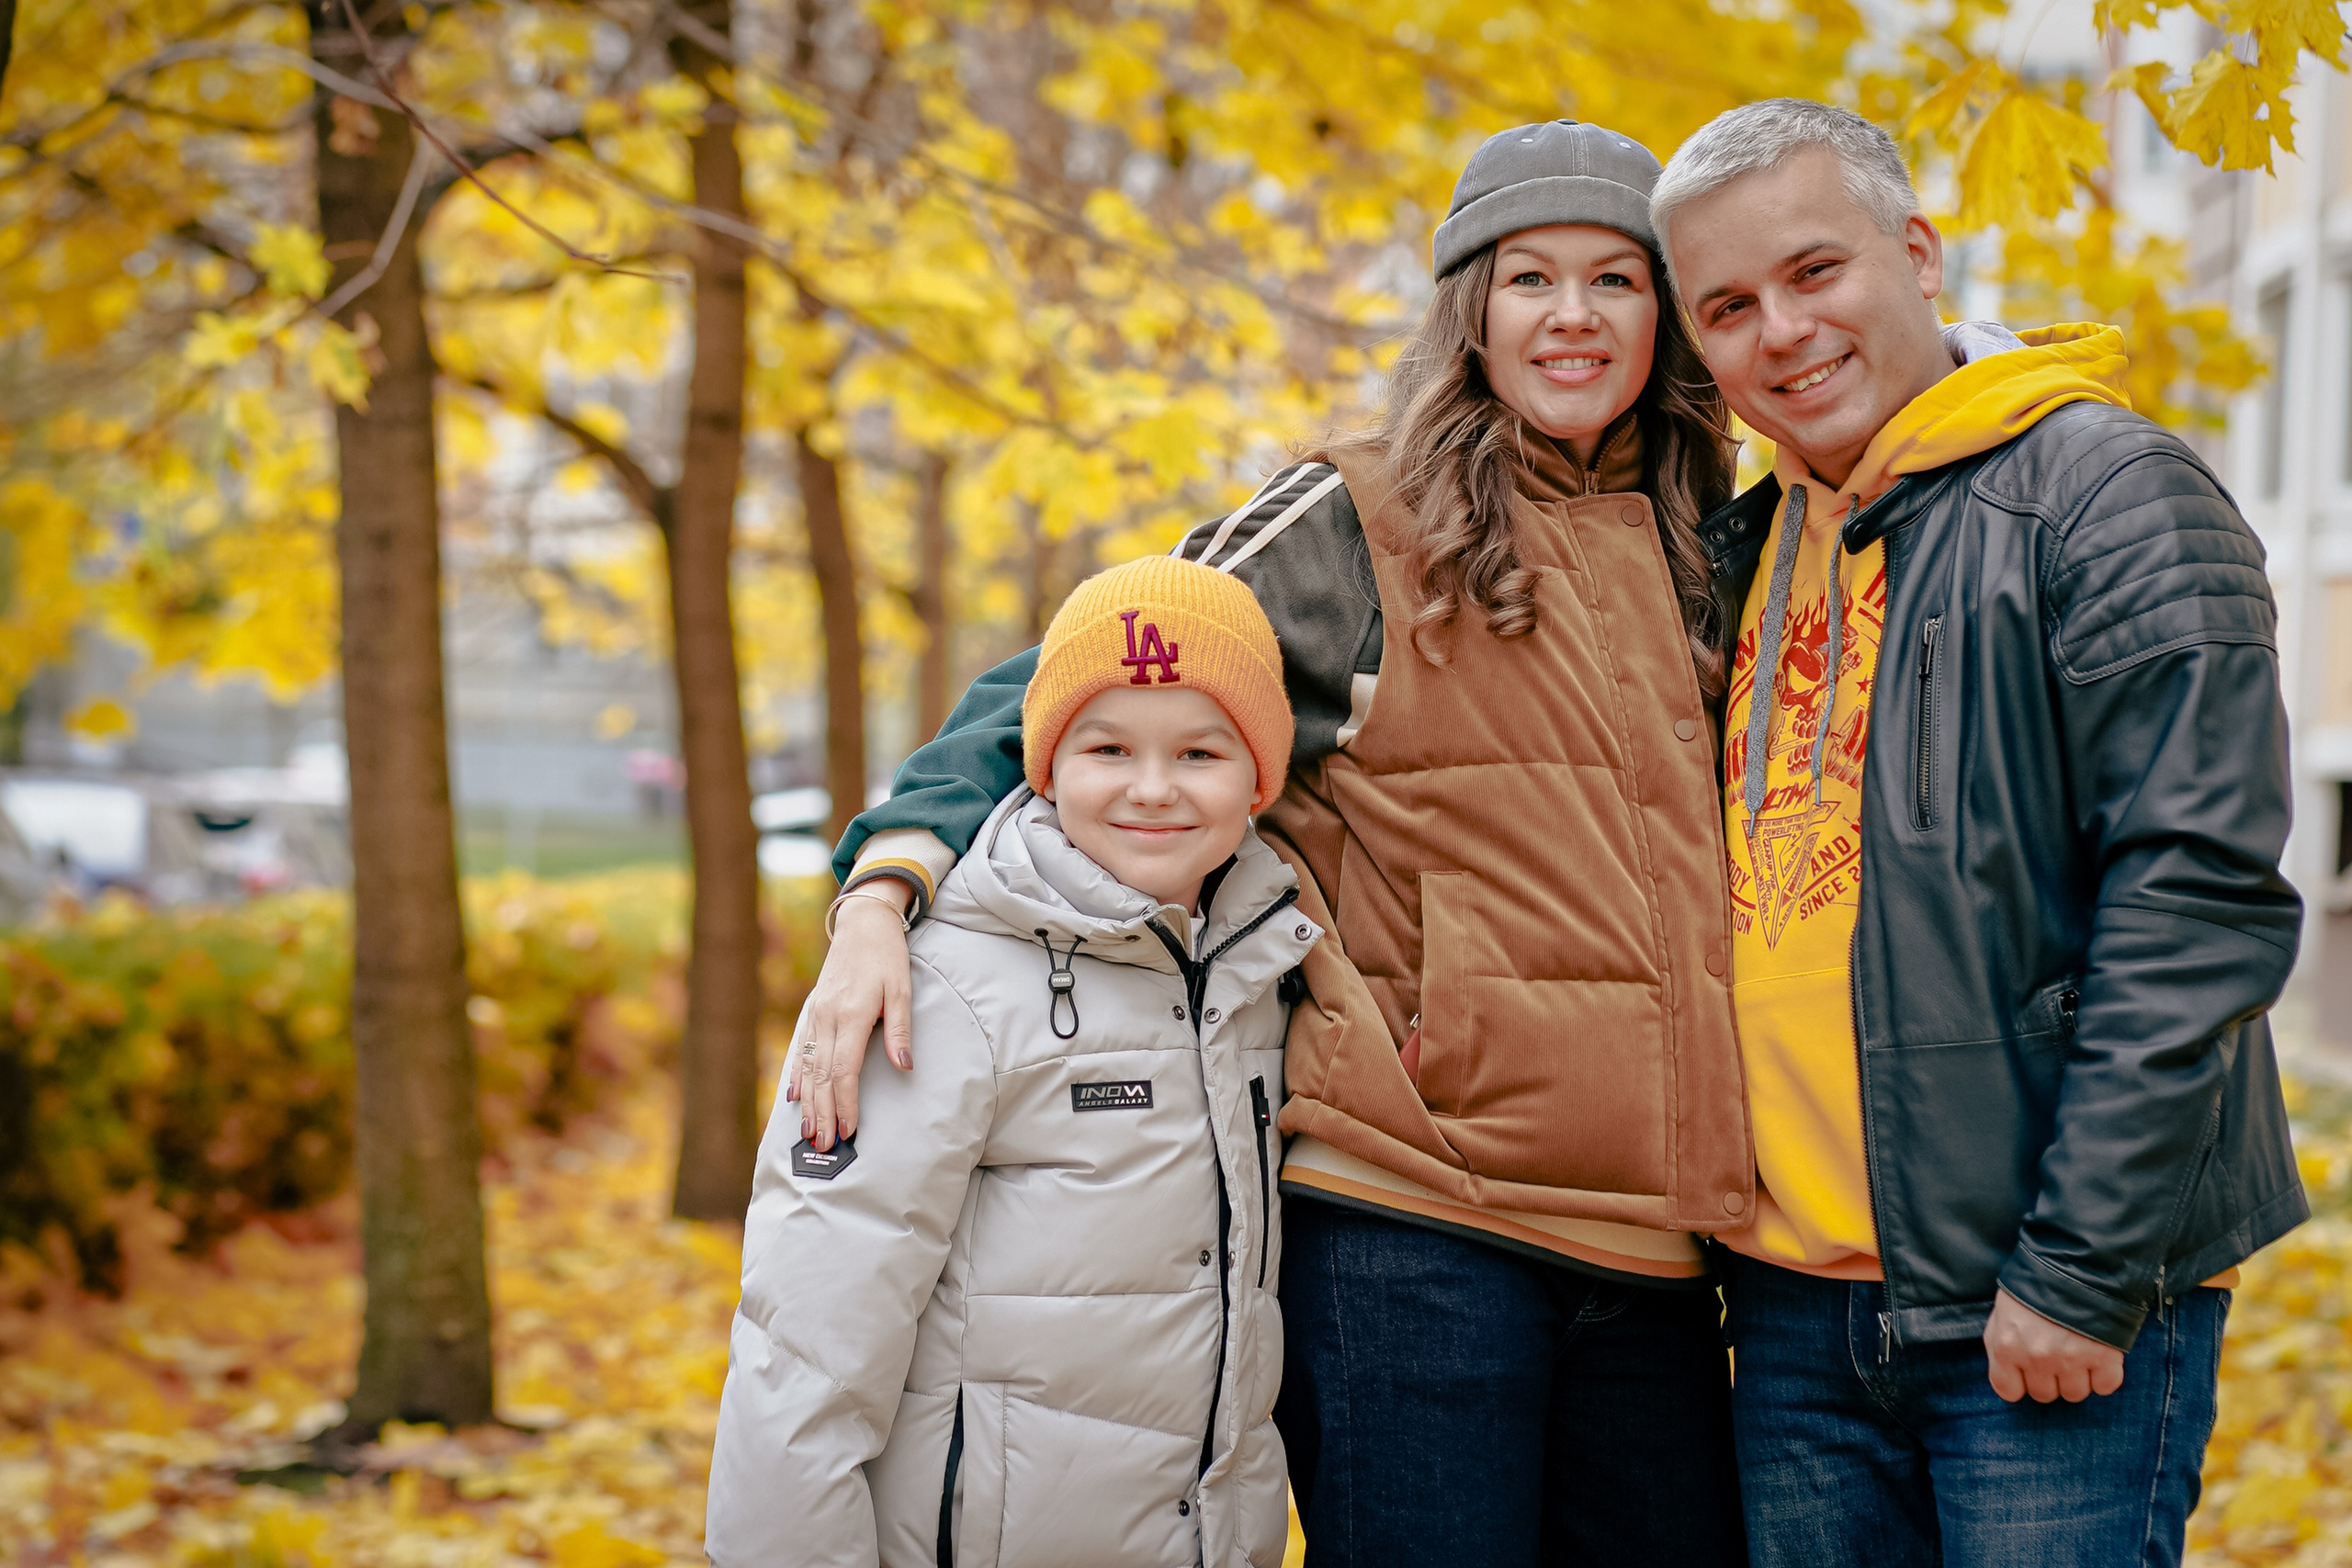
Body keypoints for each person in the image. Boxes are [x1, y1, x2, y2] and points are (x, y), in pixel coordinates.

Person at [797, 120, 1752, 1564]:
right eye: (1530, 278)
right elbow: (1076, 677)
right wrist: (885, 883)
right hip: (1419, 1221)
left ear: (1664, 311)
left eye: (1615, 279)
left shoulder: (1719, 543)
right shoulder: (1353, 519)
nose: (1573, 315)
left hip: (1663, 1249)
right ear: (1471, 310)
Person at [1649, 98, 2306, 1567]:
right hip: (1791, 1309)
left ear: (1918, 251)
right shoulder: (1751, 542)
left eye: (1815, 271)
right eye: (1729, 307)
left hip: (2035, 1300)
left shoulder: (2104, 494)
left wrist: (2080, 1266)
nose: (1782, 332)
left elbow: (2195, 900)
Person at [706, 555, 1317, 1567]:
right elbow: (804, 1354)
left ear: (1260, 776)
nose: (1152, 788)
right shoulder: (933, 982)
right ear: (1043, 765)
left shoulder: (1265, 970)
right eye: (1108, 748)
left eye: (1200, 753)